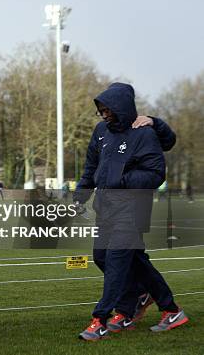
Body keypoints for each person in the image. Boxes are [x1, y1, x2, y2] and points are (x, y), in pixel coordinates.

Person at [74, 82, 187, 341]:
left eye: (107, 111)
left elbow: (155, 173)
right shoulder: (101, 132)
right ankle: (167, 308)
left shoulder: (143, 132)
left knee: (116, 263)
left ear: (121, 108)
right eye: (100, 111)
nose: (103, 116)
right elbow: (91, 167)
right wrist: (81, 194)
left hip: (132, 210)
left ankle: (100, 319)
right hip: (106, 208)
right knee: (107, 258)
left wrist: (121, 180)